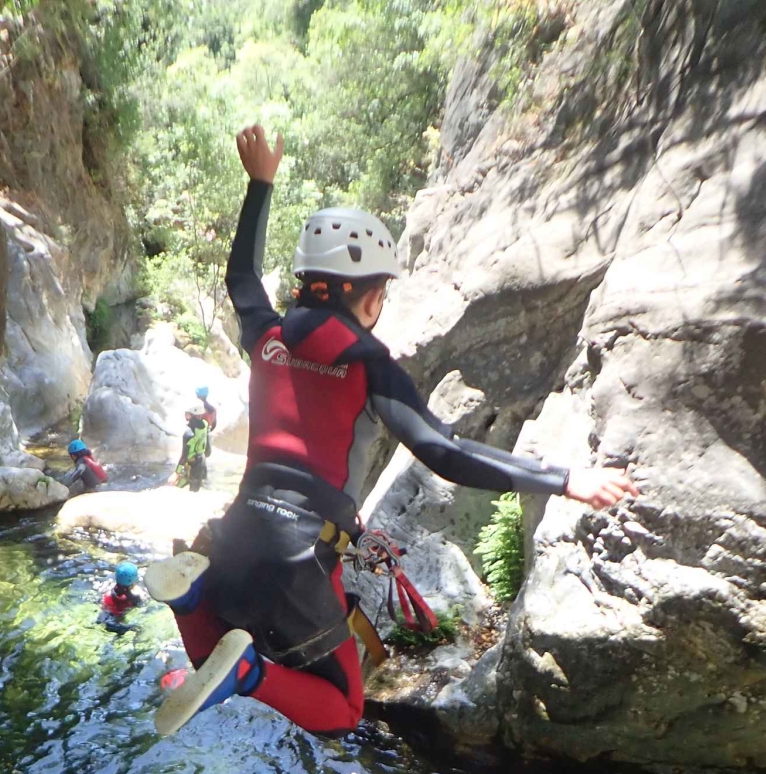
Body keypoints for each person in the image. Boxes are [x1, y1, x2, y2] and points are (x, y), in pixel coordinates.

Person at [144, 124, 639, 739]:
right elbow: (445, 452)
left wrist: (260, 184)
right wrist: (565, 479)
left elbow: (242, 281)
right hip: (300, 556)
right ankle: (248, 672)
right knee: (342, 708)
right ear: (372, 298)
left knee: (205, 658)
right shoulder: (369, 364)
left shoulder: (267, 338)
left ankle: (191, 597)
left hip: (234, 533)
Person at [96, 561, 143, 634]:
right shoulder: (134, 599)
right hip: (117, 623)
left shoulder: (106, 593)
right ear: (133, 582)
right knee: (139, 628)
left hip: (103, 617)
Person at [174, 410, 212, 492]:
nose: (185, 415)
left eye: (187, 413)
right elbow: (208, 448)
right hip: (202, 462)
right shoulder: (205, 424)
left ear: (190, 415)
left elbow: (184, 456)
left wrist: (177, 472)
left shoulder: (189, 434)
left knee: (191, 491)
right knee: (199, 488)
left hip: (193, 466)